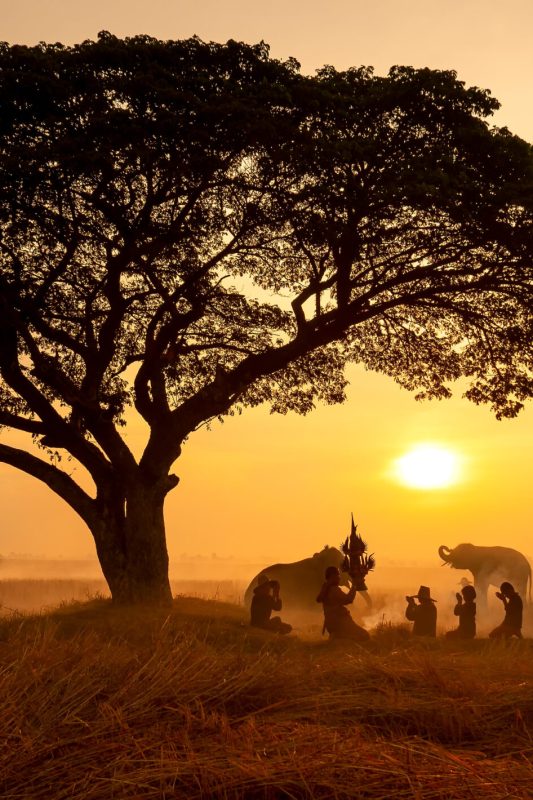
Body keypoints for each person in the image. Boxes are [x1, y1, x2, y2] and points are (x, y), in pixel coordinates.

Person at [316, 565, 370, 642]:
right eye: (337, 575)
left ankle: (339, 637)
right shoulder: (334, 590)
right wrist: (354, 585)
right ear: (332, 576)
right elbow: (349, 600)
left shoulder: (325, 588)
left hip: (331, 624)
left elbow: (318, 599)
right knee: (365, 636)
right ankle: (340, 638)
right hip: (341, 623)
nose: (339, 577)